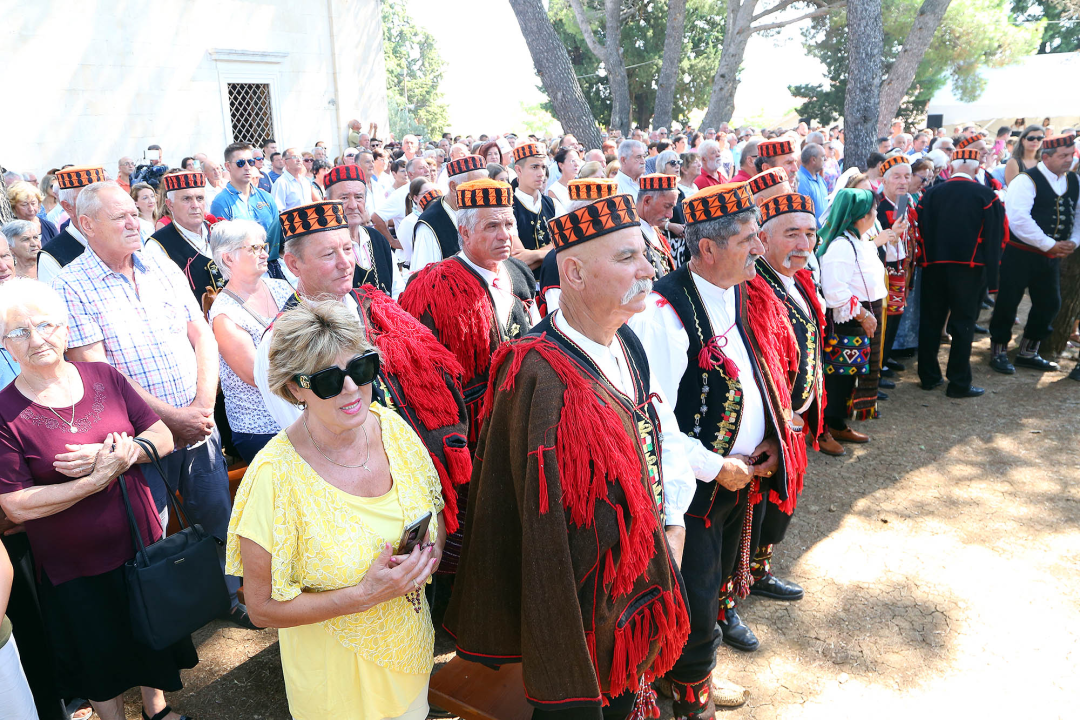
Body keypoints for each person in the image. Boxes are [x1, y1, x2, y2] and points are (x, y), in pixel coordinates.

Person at [446, 189, 692, 720]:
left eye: (644, 252)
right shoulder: (533, 371)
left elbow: (657, 436)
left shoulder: (628, 342)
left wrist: (670, 524)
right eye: (627, 257)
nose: (649, 268)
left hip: (639, 584)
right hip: (579, 609)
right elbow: (536, 531)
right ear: (575, 275)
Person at [226, 301, 443, 720]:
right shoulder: (274, 477)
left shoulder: (394, 430)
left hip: (410, 659)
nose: (350, 389)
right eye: (328, 380)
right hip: (337, 691)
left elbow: (435, 518)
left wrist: (424, 559)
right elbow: (261, 607)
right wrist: (363, 596)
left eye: (361, 369)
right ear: (294, 389)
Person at [52, 182, 252, 629]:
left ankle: (229, 597)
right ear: (86, 225)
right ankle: (169, 616)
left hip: (198, 425)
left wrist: (201, 407)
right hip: (139, 437)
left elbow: (202, 335)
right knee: (150, 531)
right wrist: (170, 418)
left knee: (217, 515)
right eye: (119, 215)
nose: (133, 222)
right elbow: (98, 371)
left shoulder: (160, 266)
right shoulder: (71, 284)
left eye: (133, 213)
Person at [629, 182, 796, 715]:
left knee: (719, 583)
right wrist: (714, 464)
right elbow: (653, 416)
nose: (759, 248)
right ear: (707, 248)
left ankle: (695, 677)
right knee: (694, 601)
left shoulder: (740, 291)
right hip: (689, 490)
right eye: (748, 239)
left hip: (738, 477)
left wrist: (770, 435)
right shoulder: (665, 311)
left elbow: (757, 373)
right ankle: (687, 697)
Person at [0, 279, 196, 720]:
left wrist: (120, 454)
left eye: (45, 324)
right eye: (19, 332)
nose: (37, 339)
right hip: (73, 565)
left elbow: (161, 434)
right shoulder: (4, 412)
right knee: (96, 649)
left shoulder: (105, 376)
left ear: (66, 328)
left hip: (139, 540)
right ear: (4, 345)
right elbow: (15, 505)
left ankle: (156, 709)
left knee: (152, 629)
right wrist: (95, 479)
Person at [253, 201, 472, 520]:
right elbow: (312, 443)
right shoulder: (280, 343)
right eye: (329, 254)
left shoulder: (375, 305)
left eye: (347, 248)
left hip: (419, 478)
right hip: (353, 502)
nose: (346, 263)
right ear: (293, 264)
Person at [399, 178, 539, 574]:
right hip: (468, 434)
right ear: (463, 231)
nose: (505, 235)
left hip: (521, 419)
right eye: (491, 226)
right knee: (475, 532)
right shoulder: (431, 286)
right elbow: (419, 378)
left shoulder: (519, 273)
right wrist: (449, 444)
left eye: (509, 225)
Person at [916, 148, 1006, 397]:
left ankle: (929, 376)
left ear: (952, 167)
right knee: (963, 323)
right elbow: (994, 240)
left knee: (931, 322)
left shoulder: (930, 194)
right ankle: (958, 382)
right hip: (969, 270)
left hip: (933, 266)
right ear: (978, 169)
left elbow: (919, 230)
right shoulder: (986, 195)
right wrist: (994, 281)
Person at [988, 134, 1080, 376]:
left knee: (1050, 303)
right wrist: (1049, 243)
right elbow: (1019, 219)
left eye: (1071, 155)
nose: (1069, 160)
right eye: (1063, 156)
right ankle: (997, 352)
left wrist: (1073, 242)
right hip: (1020, 254)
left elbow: (1078, 214)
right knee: (1008, 303)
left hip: (1050, 257)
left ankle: (1028, 352)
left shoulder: (1073, 180)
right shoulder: (1026, 180)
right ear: (1046, 157)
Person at [208, 220, 294, 463]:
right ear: (228, 259)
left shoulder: (281, 288)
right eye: (254, 248)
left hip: (299, 409)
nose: (265, 253)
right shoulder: (225, 314)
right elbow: (258, 376)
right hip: (261, 426)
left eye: (264, 245)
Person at [817, 188, 887, 439]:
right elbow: (835, 291)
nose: (876, 214)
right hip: (849, 321)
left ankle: (836, 424)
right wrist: (863, 315)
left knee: (851, 376)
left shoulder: (858, 241)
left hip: (860, 317)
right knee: (838, 377)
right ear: (860, 215)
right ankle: (823, 430)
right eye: (873, 211)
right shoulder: (841, 246)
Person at [145, 171, 224, 314]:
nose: (195, 205)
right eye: (186, 199)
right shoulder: (157, 246)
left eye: (199, 198)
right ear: (170, 205)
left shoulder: (219, 232)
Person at [210, 142, 286, 279]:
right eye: (240, 163)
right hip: (241, 274)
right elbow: (222, 249)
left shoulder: (266, 197)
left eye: (250, 162)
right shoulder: (220, 202)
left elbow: (278, 237)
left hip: (272, 268)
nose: (247, 167)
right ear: (228, 166)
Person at [324, 165, 402, 297]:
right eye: (344, 198)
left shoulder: (377, 239)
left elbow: (397, 289)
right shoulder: (322, 247)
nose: (353, 205)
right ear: (327, 202)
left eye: (359, 197)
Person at [874, 155, 917, 385]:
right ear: (884, 179)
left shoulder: (904, 202)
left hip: (901, 270)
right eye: (897, 176)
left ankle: (885, 357)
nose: (902, 181)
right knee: (884, 320)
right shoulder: (878, 206)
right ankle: (877, 367)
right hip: (884, 272)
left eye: (907, 176)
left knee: (895, 318)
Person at [411, 156, 488, 272]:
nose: (481, 194)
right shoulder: (430, 224)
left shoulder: (484, 211)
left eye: (485, 187)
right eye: (474, 188)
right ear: (453, 187)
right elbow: (422, 277)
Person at [36, 167, 107, 285]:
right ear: (68, 207)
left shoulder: (121, 236)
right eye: (90, 199)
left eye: (104, 198)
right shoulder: (52, 257)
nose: (101, 205)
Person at [509, 143, 559, 275]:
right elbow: (519, 262)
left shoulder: (553, 204)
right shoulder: (508, 208)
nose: (541, 173)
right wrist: (553, 251)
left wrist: (534, 255)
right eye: (534, 167)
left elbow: (567, 243)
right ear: (519, 170)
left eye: (543, 167)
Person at [636, 174, 681, 277]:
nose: (670, 215)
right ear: (647, 201)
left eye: (672, 207)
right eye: (666, 206)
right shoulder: (630, 234)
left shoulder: (654, 229)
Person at [6, 182, 57, 246]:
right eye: (24, 205)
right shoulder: (9, 230)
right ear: (14, 206)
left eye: (33, 203)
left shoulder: (49, 227)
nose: (31, 209)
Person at [797, 143, 829, 226]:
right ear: (813, 160)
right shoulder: (800, 180)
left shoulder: (821, 179)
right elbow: (803, 213)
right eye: (822, 157)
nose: (825, 159)